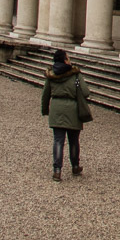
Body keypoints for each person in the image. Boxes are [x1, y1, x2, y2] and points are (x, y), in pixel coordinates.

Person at [41, 48, 92, 182]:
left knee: (58, 141)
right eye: (68, 57)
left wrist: (45, 110)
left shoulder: (51, 74)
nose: (69, 60)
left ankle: (57, 170)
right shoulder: (75, 74)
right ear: (65, 60)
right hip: (73, 109)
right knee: (73, 140)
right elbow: (86, 92)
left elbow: (45, 95)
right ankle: (75, 166)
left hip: (56, 109)